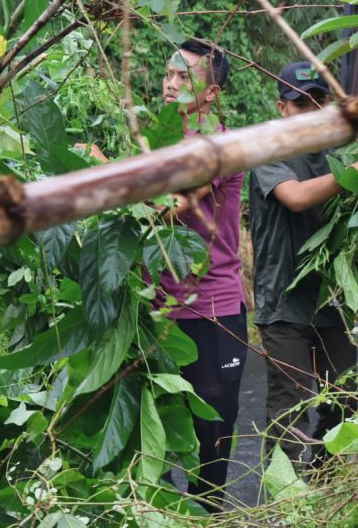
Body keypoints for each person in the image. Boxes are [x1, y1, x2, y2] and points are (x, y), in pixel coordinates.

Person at [76, 40, 246, 510]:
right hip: (155, 310)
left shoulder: (216, 144)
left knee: (210, 437)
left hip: (210, 309)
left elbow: (161, 207)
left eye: (184, 77)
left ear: (212, 93)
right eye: (168, 74)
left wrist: (98, 164)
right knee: (158, 431)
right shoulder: (158, 137)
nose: (170, 84)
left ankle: (206, 517)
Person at [249, 61, 358, 469]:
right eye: (300, 103)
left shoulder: (339, 152)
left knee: (344, 398)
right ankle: (284, 497)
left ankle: (327, 487)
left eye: (319, 102)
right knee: (290, 406)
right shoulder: (267, 149)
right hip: (283, 302)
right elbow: (297, 197)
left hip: (330, 301)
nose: (311, 111)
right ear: (282, 108)